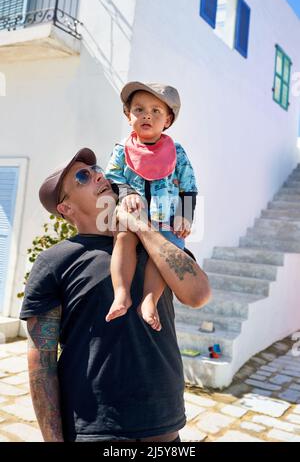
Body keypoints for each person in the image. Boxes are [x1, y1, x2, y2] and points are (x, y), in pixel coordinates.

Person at [20, 148, 211, 443]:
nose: (98, 174)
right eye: (82, 177)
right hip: (93, 429)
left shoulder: (156, 245)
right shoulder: (55, 262)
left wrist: (140, 227)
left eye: (95, 168)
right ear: (66, 208)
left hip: (163, 427)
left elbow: (198, 294)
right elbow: (41, 363)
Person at [105, 82, 198, 332]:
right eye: (139, 109)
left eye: (156, 111)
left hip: (164, 218)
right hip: (132, 216)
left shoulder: (176, 152)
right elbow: (112, 177)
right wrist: (126, 194)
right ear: (128, 116)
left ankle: (149, 300)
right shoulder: (121, 150)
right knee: (123, 239)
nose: (147, 115)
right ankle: (121, 294)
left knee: (161, 254)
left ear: (167, 120)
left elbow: (188, 186)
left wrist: (184, 216)